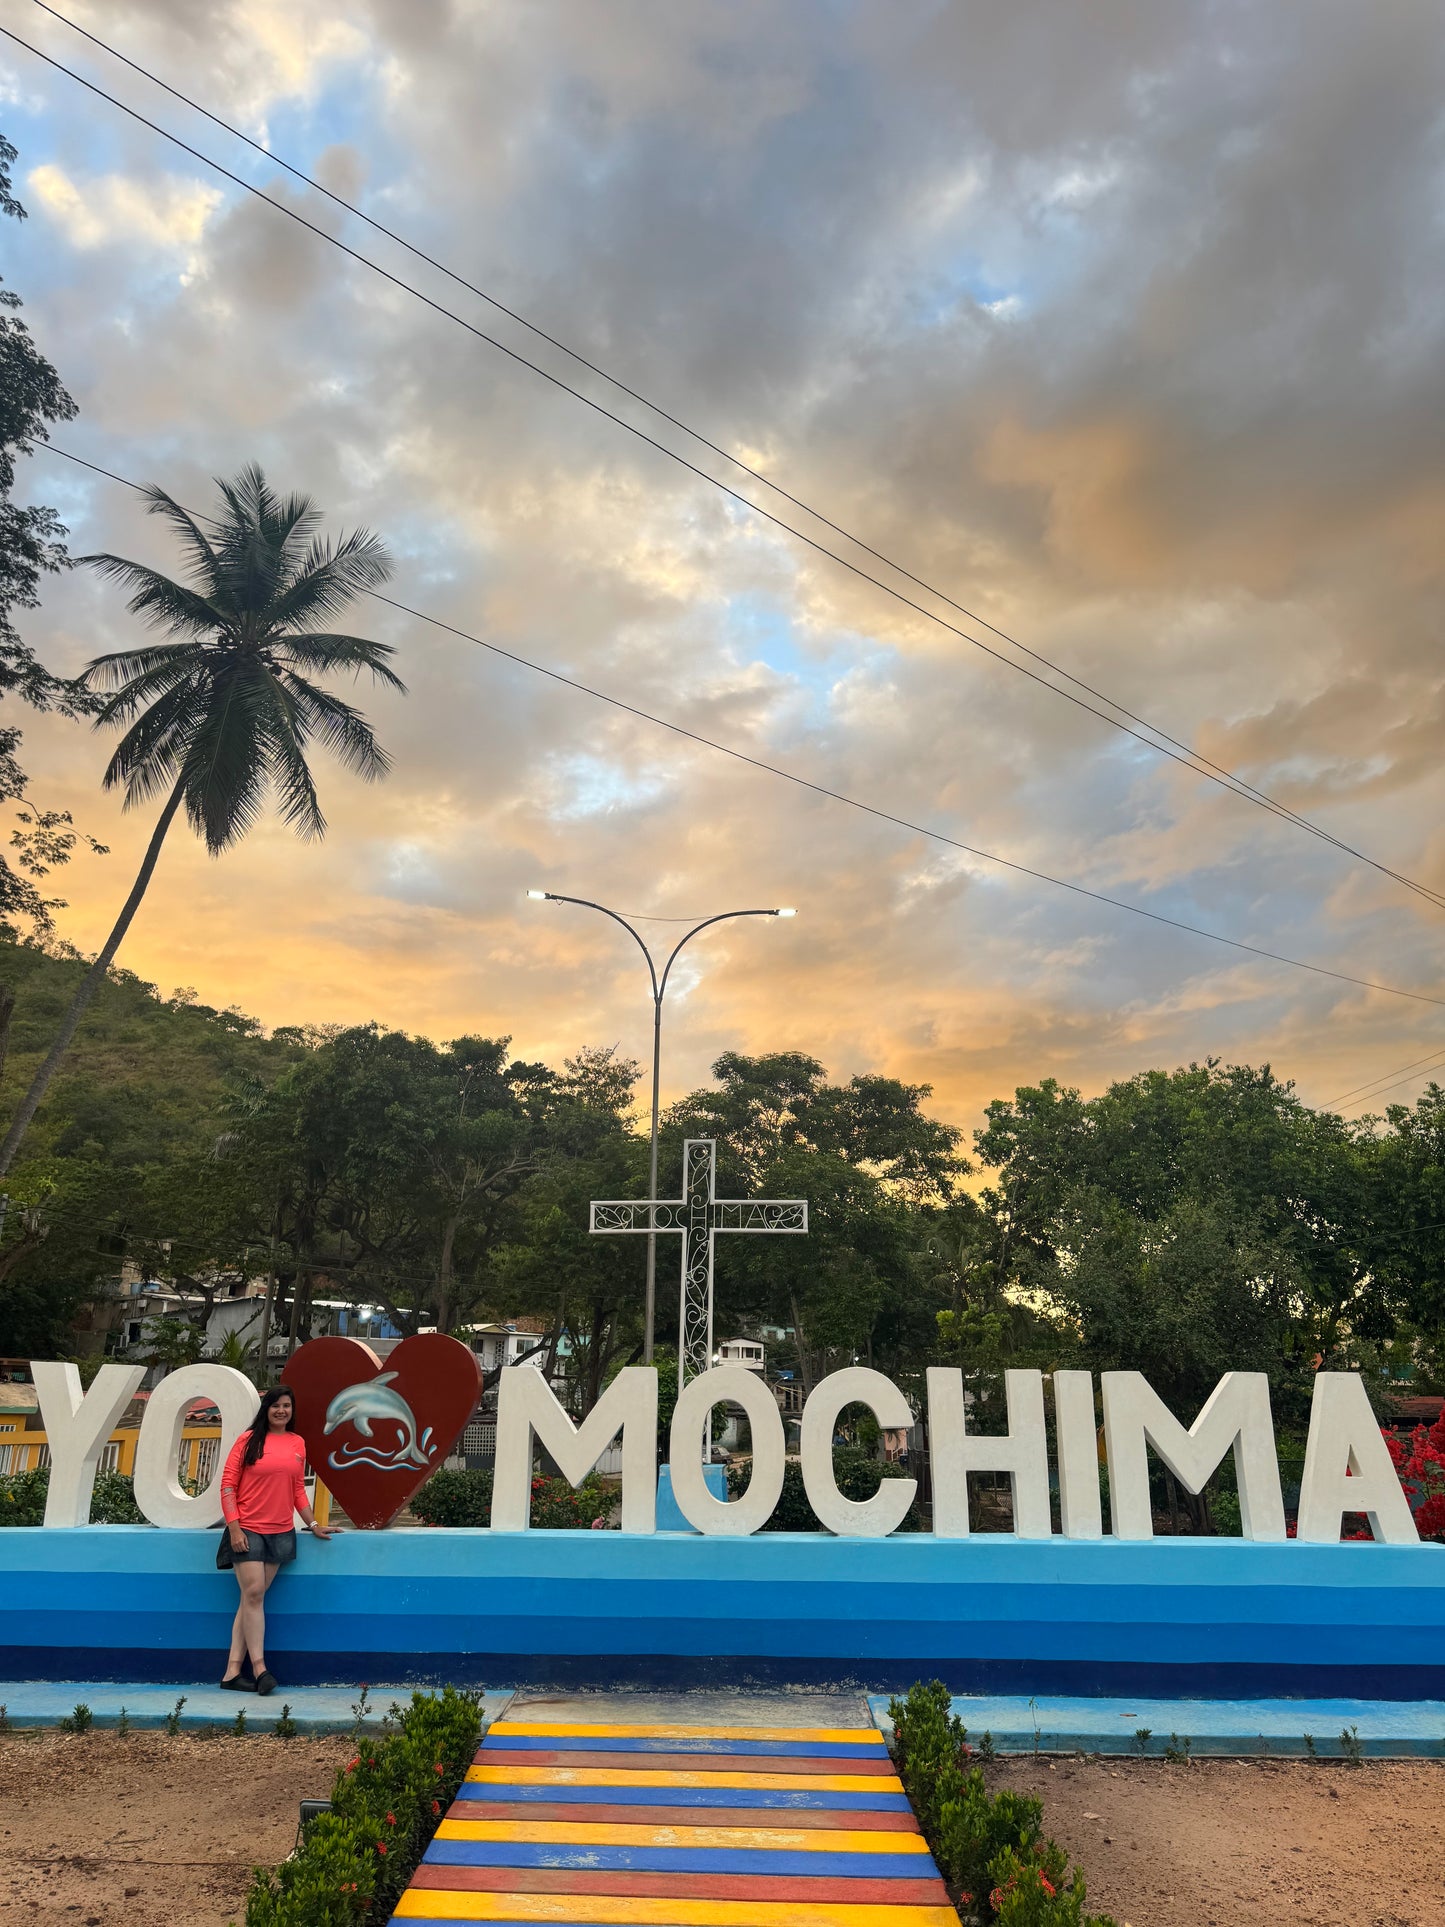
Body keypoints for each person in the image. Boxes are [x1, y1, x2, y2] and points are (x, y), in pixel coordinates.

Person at [218, 1384, 336, 1693]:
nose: (281, 1410)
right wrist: (234, 1528)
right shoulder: (248, 1440)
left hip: (281, 1531)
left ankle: (232, 1672)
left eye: (287, 1406)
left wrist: (313, 1524)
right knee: (255, 1593)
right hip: (248, 1530)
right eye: (275, 1405)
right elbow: (228, 1485)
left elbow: (298, 1489)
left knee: (251, 1598)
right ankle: (260, 1669)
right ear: (266, 1408)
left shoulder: (297, 1443)